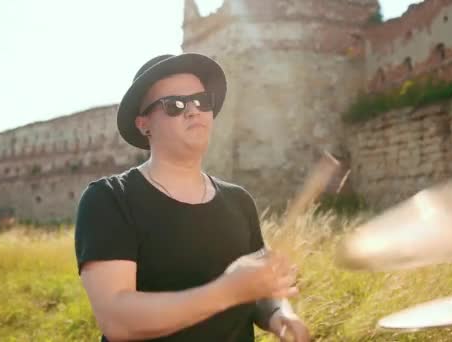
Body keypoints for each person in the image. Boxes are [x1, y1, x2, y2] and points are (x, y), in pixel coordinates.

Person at [75, 53, 311, 341]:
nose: (193, 110)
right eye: (174, 105)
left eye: (202, 101)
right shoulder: (110, 199)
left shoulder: (238, 201)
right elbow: (117, 321)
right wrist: (227, 291)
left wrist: (279, 313)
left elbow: (256, 290)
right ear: (143, 124)